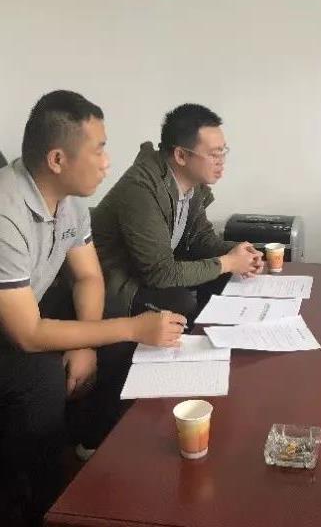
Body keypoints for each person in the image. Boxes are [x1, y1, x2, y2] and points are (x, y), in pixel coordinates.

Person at [0, 90, 185, 525]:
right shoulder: (6, 214)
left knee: (113, 330)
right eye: (98, 149)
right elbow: (27, 335)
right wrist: (132, 327)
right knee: (41, 378)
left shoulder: (71, 200)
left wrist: (87, 345)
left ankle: (90, 443)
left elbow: (88, 276)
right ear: (58, 159)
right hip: (12, 326)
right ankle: (46, 504)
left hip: (24, 306)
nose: (106, 162)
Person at [91, 102, 263, 323]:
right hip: (115, 285)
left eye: (223, 151)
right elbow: (160, 273)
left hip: (147, 274)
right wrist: (229, 262)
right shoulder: (141, 189)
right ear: (181, 155)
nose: (221, 161)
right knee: (180, 301)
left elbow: (200, 240)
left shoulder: (192, 184)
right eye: (214, 154)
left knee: (226, 275)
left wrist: (240, 253)